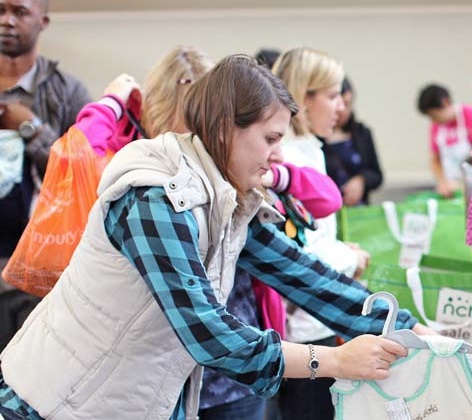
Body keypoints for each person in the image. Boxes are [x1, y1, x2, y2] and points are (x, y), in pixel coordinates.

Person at [0, 55, 434, 420]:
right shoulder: (156, 197)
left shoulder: (225, 197)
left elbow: (303, 275)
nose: (278, 156)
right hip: (55, 403)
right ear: (226, 128)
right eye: (270, 139)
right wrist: (334, 360)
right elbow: (207, 331)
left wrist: (415, 334)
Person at [271, 47, 377, 420]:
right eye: (332, 96)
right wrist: (351, 257)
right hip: (303, 329)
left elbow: (309, 236)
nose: (340, 108)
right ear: (304, 97)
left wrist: (339, 248)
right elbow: (301, 256)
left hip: (315, 320)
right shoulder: (292, 159)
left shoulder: (308, 152)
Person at [0, 0, 91, 349]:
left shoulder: (67, 92)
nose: (7, 21)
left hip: (38, 276)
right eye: (1, 10)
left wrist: (31, 128)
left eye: (19, 12)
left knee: (28, 382)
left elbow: (84, 172)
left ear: (43, 21)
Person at [416, 83, 472, 198]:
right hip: (450, 190)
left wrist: (464, 183)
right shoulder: (436, 126)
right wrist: (442, 183)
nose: (434, 120)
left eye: (434, 115)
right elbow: (435, 160)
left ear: (445, 103)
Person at [322, 77, 383, 206]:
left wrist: (362, 180)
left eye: (347, 104)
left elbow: (377, 175)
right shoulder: (315, 138)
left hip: (358, 212)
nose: (342, 110)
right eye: (338, 103)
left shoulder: (361, 132)